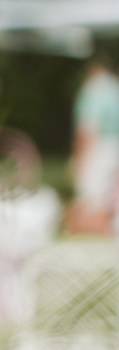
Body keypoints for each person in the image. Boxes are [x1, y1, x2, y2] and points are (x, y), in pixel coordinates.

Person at [68, 58, 119, 234]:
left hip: (98, 148)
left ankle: (95, 233)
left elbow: (88, 128)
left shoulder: (93, 90)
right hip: (115, 147)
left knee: (91, 197)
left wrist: (78, 158)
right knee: (109, 196)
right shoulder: (114, 87)